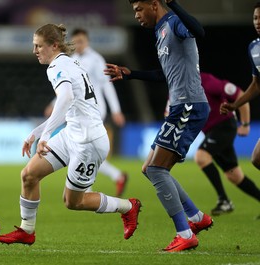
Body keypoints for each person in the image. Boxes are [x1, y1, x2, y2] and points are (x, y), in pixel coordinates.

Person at [0, 24, 141, 245]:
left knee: (73, 202)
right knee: (29, 175)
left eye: (38, 46)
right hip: (72, 132)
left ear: (53, 45)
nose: (34, 51)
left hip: (88, 142)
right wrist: (36, 133)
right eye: (33, 45)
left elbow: (64, 99)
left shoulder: (57, 67)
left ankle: (128, 207)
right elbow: (69, 106)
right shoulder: (70, 62)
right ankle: (27, 230)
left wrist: (45, 135)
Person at [105, 0, 213, 252]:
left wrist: (173, 3)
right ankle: (197, 218)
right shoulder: (160, 31)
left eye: (138, 9)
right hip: (180, 106)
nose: (136, 15)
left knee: (156, 170)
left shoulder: (175, 22)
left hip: (188, 105)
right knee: (149, 168)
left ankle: (184, 233)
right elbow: (164, 75)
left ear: (154, 5)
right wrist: (130, 73)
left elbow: (199, 31)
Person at [43, 28, 128, 197]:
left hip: (94, 109)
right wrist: (53, 103)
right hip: (77, 110)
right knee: (83, 149)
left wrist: (116, 110)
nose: (78, 45)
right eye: (75, 42)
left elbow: (107, 85)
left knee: (83, 147)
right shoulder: (72, 60)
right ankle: (114, 177)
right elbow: (68, 88)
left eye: (81, 41)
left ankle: (88, 188)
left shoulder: (96, 60)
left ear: (87, 41)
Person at [169, 72, 260, 216]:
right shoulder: (176, 89)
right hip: (211, 132)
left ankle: (224, 200)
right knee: (234, 175)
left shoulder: (208, 82)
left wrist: (245, 123)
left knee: (201, 156)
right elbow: (170, 114)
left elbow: (240, 94)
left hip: (225, 126)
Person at [220, 2, 260, 170]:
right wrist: (235, 105)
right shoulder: (254, 48)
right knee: (257, 159)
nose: (257, 22)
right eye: (255, 18)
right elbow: (257, 84)